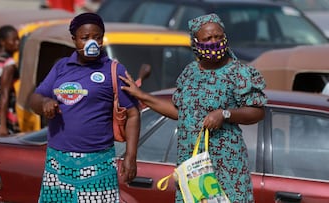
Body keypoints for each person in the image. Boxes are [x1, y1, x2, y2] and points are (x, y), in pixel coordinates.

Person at [120, 13, 267, 203]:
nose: (214, 42)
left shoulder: (240, 73)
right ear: (196, 42)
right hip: (192, 164)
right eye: (207, 38)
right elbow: (182, 114)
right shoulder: (190, 72)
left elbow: (257, 111)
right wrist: (143, 96)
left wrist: (225, 114)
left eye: (218, 37)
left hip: (225, 165)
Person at [29, 13, 140, 202]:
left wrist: (131, 156)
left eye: (97, 37)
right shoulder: (61, 67)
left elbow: (133, 114)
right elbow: (35, 98)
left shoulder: (113, 70)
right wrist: (44, 103)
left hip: (98, 163)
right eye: (85, 38)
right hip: (58, 162)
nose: (92, 43)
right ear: (74, 40)